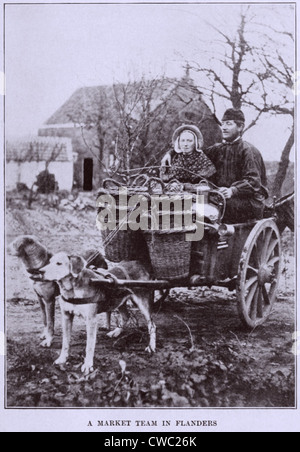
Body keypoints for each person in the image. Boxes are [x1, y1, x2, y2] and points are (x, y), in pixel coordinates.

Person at [161, 109, 268, 224]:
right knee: (192, 204)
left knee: (210, 208)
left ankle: (208, 236)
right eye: (223, 124)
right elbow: (195, 153)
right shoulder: (218, 149)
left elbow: (253, 181)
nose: (224, 127)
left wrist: (233, 190)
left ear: (240, 127)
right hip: (221, 196)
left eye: (229, 123)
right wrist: (170, 153)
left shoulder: (248, 151)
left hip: (248, 201)